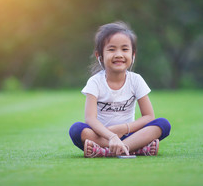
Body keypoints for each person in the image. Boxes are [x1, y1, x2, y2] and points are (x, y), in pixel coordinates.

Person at [69, 21, 171, 158]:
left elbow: (149, 117)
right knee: (76, 130)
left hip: (131, 134)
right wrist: (111, 136)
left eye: (124, 49)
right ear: (99, 55)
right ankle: (135, 149)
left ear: (133, 55)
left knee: (163, 124)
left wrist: (122, 129)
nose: (118, 54)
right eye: (111, 49)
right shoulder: (95, 82)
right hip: (103, 135)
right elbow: (90, 119)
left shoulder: (136, 80)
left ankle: (106, 151)